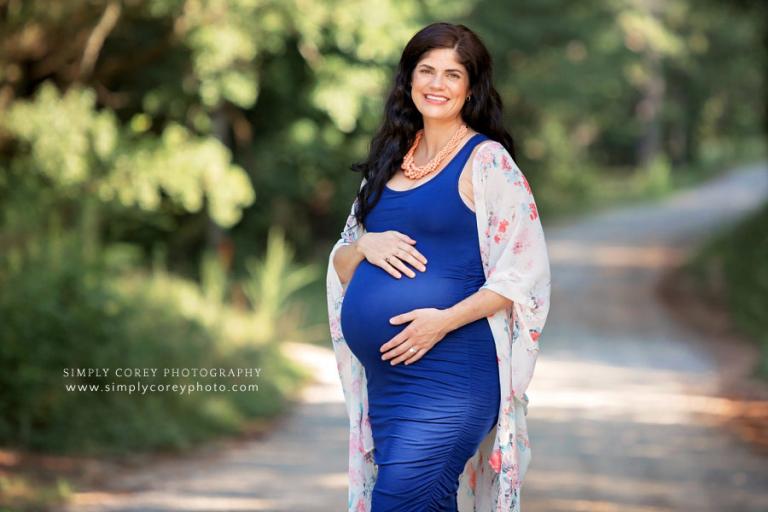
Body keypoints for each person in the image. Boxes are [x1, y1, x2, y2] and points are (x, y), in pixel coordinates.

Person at [326, 22, 551, 512]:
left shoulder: (487, 162)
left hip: (451, 377)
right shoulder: (389, 163)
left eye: (452, 74)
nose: (437, 84)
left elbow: (523, 274)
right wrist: (366, 244)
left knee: (401, 502)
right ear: (408, 80)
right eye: (426, 71)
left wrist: (441, 321)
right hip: (390, 387)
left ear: (471, 88)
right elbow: (342, 264)